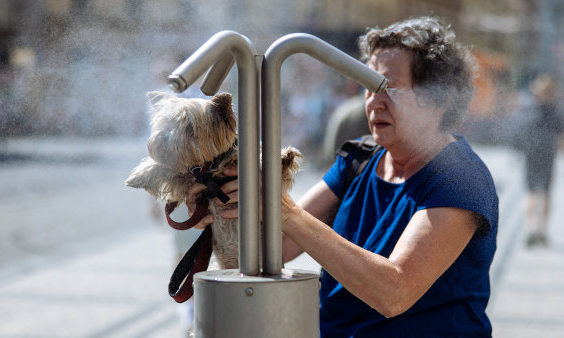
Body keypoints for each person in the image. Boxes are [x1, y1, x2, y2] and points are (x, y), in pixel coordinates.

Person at [188, 17, 499, 337]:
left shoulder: (460, 179)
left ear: (440, 97)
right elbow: (271, 248)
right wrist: (219, 201)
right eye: (368, 87)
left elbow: (395, 292)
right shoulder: (360, 159)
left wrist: (283, 210)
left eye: (388, 87)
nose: (373, 101)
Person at [519, 74, 564, 247]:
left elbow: (520, 131)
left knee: (534, 192)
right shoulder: (556, 111)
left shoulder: (530, 108)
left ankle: (534, 229)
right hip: (543, 154)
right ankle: (539, 230)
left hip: (536, 154)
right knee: (541, 192)